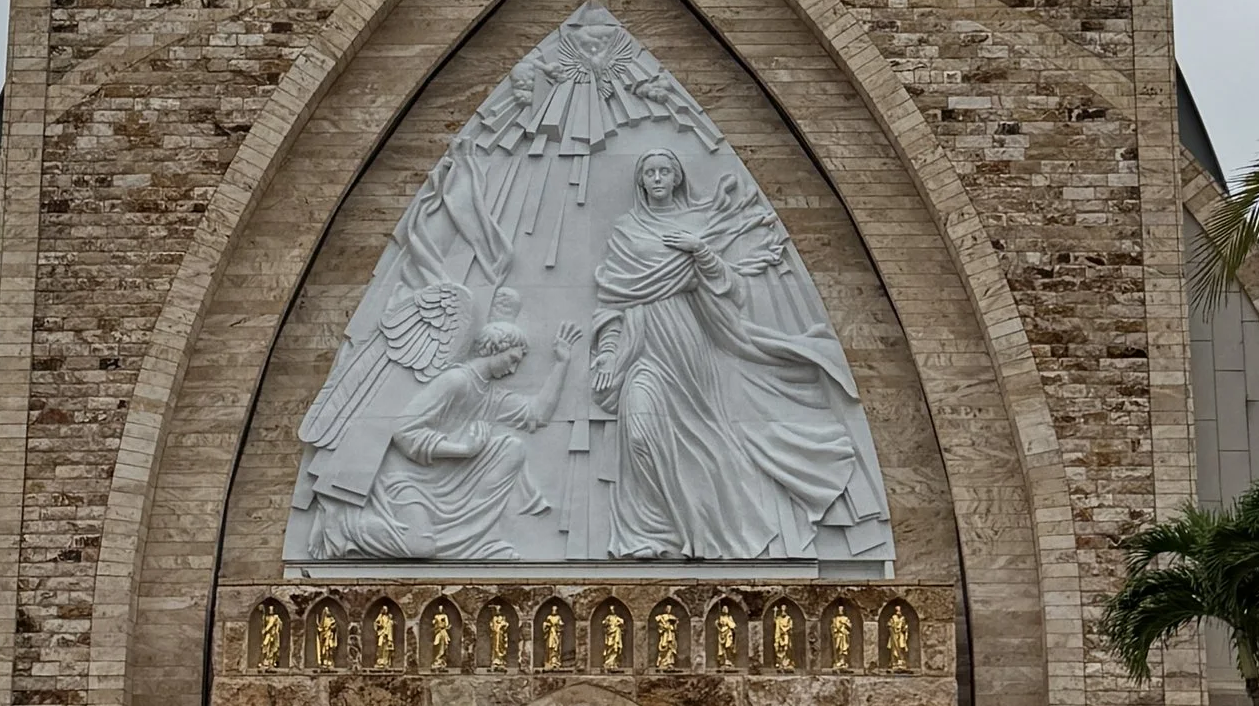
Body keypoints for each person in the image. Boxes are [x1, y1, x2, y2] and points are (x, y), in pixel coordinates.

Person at [590, 151, 877, 560]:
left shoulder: (696, 226)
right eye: (649, 173)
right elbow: (611, 300)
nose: (657, 178)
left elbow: (731, 288)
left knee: (701, 444)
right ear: (640, 181)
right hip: (643, 350)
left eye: (664, 171)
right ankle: (655, 532)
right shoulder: (625, 231)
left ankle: (700, 535)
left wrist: (701, 251)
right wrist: (606, 354)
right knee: (639, 435)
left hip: (691, 350)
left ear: (677, 178)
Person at [306, 323, 581, 560]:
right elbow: (405, 430)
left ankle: (475, 539)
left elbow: (538, 414)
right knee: (420, 547)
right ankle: (343, 523)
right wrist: (462, 450)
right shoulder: (455, 381)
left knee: (512, 448)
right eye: (512, 359)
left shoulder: (490, 394)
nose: (513, 368)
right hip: (406, 478)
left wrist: (562, 363)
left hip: (446, 481)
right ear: (495, 347)